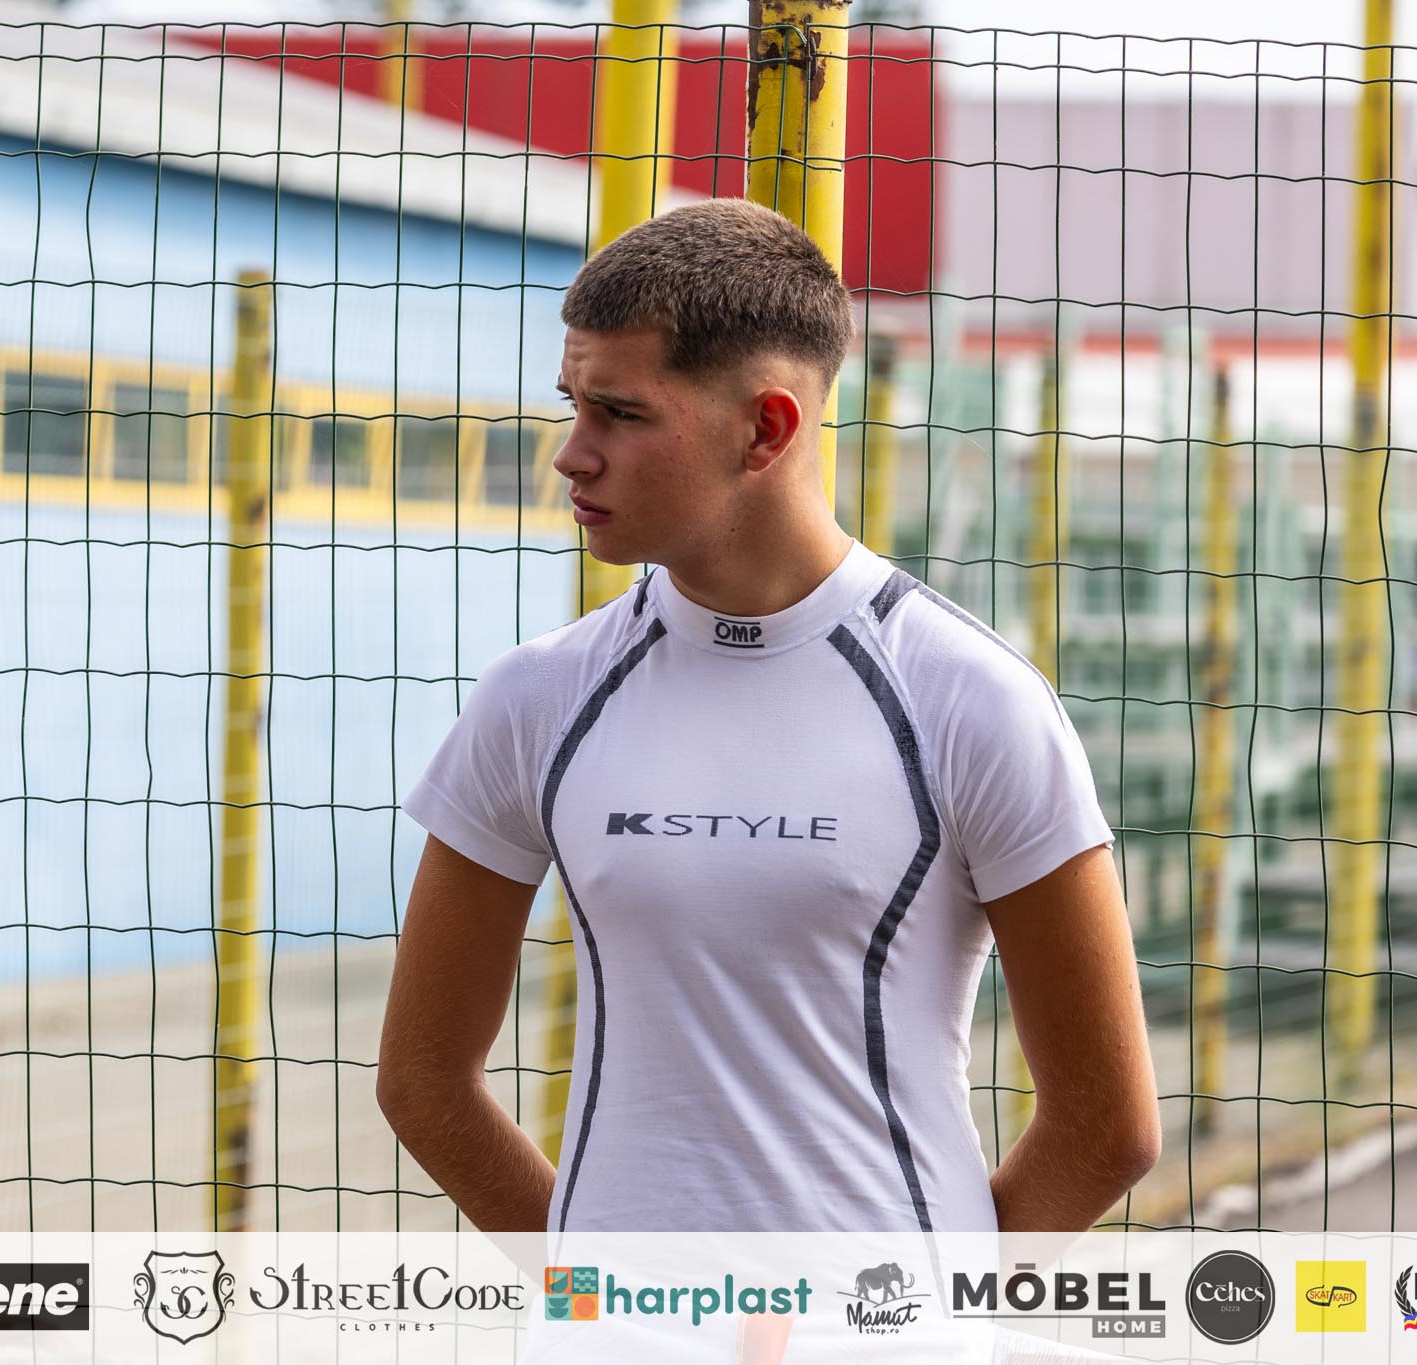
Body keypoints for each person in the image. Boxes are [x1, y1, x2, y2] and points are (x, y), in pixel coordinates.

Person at [376, 199, 1159, 1257]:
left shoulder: (970, 699)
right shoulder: (538, 695)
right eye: (572, 405)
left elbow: (1106, 1126)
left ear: (767, 429)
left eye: (619, 414)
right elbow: (421, 1080)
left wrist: (937, 1316)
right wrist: (590, 1294)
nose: (572, 455)